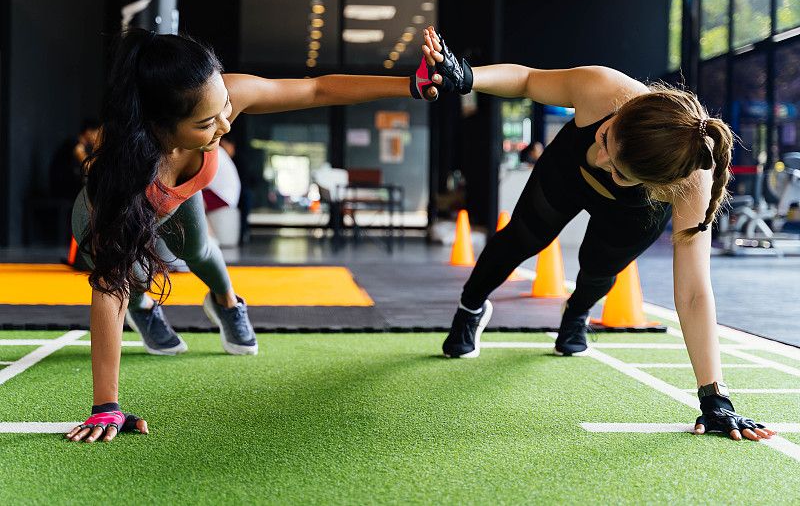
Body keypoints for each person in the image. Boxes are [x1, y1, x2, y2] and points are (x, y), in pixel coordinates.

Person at [65, 28, 438, 443]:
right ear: (159, 128)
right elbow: (106, 288)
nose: (226, 123)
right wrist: (106, 407)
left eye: (224, 105)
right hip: (115, 211)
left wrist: (411, 84)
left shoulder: (220, 95)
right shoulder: (121, 178)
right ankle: (145, 306)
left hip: (178, 194)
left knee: (201, 251)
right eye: (207, 123)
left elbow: (316, 90)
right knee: (126, 276)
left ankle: (225, 302)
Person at [423, 27, 775, 442]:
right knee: (519, 239)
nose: (602, 155)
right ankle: (470, 308)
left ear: (661, 184)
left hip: (633, 215)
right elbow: (526, 79)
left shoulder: (692, 180)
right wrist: (467, 76)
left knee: (598, 268)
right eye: (608, 138)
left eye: (619, 169)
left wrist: (715, 398)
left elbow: (695, 291)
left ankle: (576, 314)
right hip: (566, 173)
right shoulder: (604, 88)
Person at [49, 118, 101, 200]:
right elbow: (86, 165)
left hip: (69, 186)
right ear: (88, 132)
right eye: (96, 134)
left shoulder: (85, 147)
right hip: (61, 188)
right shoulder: (75, 143)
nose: (97, 138)